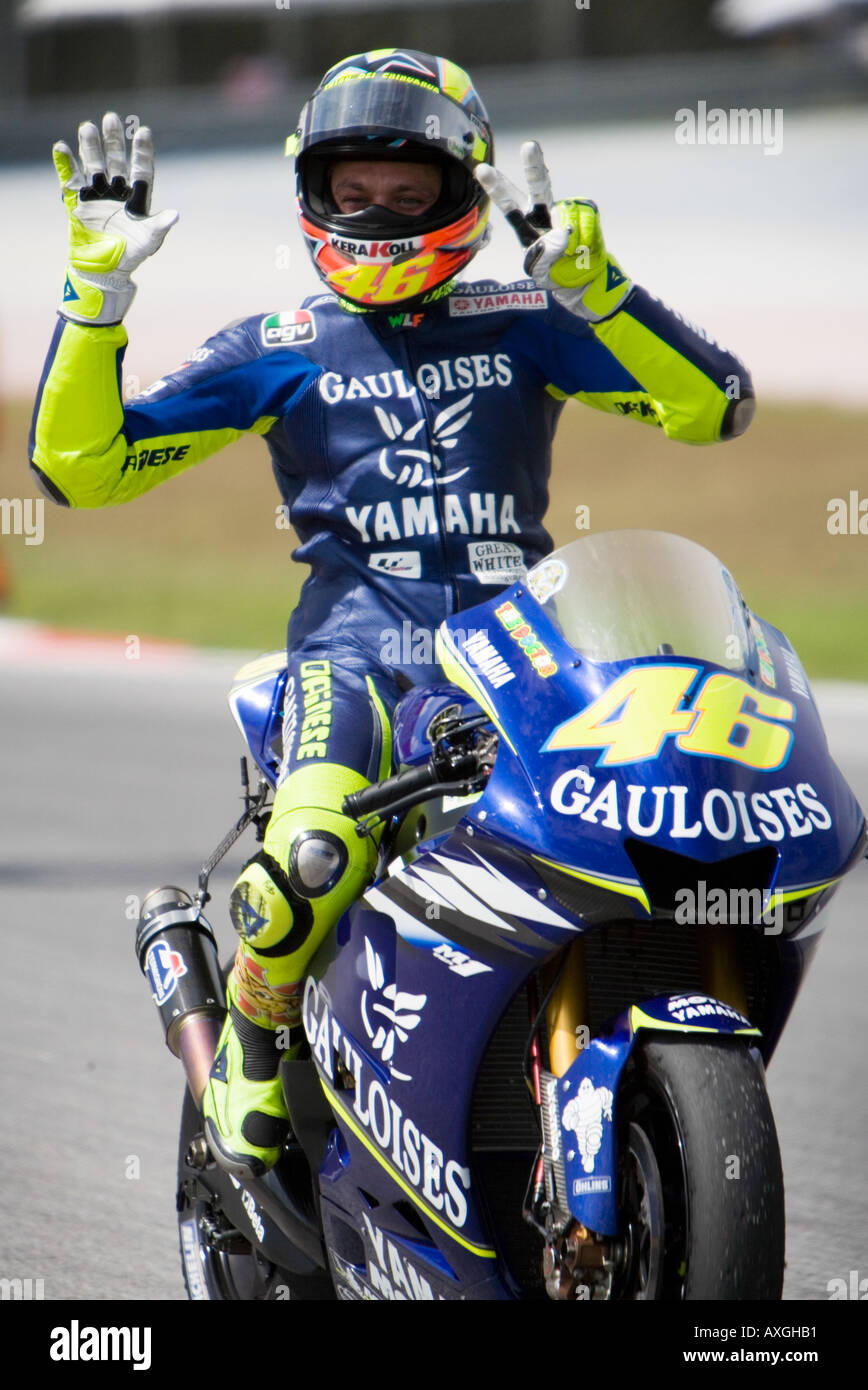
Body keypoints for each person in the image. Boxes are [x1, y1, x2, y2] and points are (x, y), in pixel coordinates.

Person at [30, 48, 755, 1181]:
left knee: (647, 828)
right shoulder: (273, 347)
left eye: (408, 196)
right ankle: (251, 1050)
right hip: (352, 662)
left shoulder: (529, 317)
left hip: (528, 659)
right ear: (312, 196)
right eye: (353, 192)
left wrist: (602, 288)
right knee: (311, 850)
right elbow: (82, 468)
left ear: (461, 196)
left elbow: (714, 408)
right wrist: (95, 297)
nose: (377, 216)